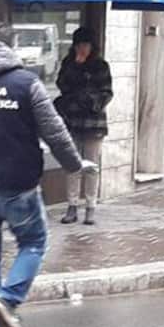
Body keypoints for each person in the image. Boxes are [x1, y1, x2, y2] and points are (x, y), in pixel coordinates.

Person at [0, 22, 98, 327]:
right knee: (33, 243)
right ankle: (8, 298)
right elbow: (55, 131)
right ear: (10, 48)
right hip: (18, 185)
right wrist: (74, 165)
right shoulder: (25, 84)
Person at [54, 27, 114, 226]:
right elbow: (62, 85)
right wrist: (75, 68)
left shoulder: (100, 66)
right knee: (72, 164)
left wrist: (90, 102)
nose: (83, 49)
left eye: (86, 45)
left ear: (92, 46)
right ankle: (71, 205)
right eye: (79, 45)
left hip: (93, 122)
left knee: (91, 165)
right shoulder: (69, 64)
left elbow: (106, 92)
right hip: (72, 119)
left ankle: (90, 206)